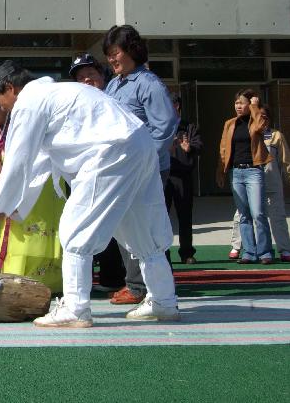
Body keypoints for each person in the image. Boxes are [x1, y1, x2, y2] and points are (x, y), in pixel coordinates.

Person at [0, 61, 179, 327]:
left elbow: (19, 160)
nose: (2, 107)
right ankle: (164, 300)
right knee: (142, 228)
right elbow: (39, 163)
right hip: (137, 144)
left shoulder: (30, 102)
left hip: (110, 152)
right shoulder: (56, 95)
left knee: (75, 230)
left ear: (8, 88)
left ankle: (75, 308)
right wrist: (10, 208)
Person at [103, 25, 178, 305]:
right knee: (128, 225)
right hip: (123, 169)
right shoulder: (114, 84)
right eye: (109, 54)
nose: (112, 59)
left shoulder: (149, 84)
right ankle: (137, 285)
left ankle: (150, 287)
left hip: (147, 169)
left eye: (116, 52)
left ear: (132, 51)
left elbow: (166, 125)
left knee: (149, 225)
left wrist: (146, 159)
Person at [0, 68, 63, 291]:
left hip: (43, 180)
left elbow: (28, 156)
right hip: (9, 187)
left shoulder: (26, 113)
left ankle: (53, 283)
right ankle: (19, 282)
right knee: (17, 237)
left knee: (46, 229)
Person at [68, 53, 124, 292]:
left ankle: (116, 279)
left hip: (113, 171)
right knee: (83, 226)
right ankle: (91, 281)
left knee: (116, 227)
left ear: (102, 77)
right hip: (81, 173)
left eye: (91, 75)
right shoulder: (72, 107)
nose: (87, 81)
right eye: (81, 77)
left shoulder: (114, 100)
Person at [228, 104, 290, 262]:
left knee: (277, 216)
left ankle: (284, 249)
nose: (261, 119)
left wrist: (289, 178)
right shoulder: (249, 132)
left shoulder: (276, 136)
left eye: (264, 116)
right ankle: (237, 246)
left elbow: (286, 161)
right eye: (257, 115)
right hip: (252, 181)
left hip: (272, 183)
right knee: (241, 214)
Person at [217, 89, 273, 264]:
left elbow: (262, 127)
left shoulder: (256, 120)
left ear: (250, 104)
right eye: (236, 103)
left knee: (258, 213)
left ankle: (265, 253)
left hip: (253, 171)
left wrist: (256, 107)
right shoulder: (230, 123)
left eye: (242, 103)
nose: (238, 106)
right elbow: (223, 149)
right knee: (244, 215)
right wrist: (220, 171)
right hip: (236, 172)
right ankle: (249, 252)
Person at [166, 93, 202, 265]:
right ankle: (163, 254)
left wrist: (189, 148)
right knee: (161, 218)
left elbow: (199, 145)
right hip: (164, 176)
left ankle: (187, 253)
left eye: (170, 104)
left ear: (177, 106)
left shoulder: (189, 126)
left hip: (183, 177)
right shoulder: (159, 126)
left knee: (185, 216)